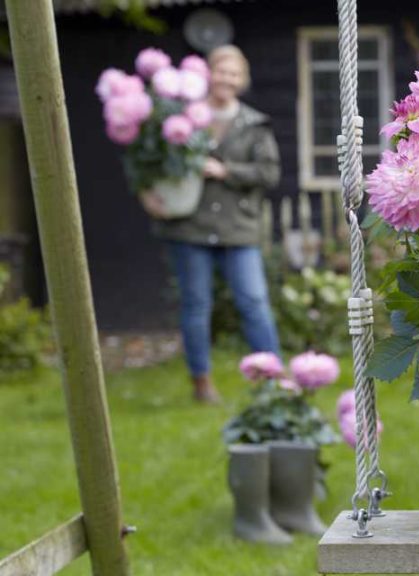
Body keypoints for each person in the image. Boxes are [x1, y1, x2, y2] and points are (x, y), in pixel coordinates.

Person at [140, 45, 281, 403]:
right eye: (221, 70)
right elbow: (147, 158)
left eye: (234, 73)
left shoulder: (255, 124)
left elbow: (269, 173)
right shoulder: (183, 117)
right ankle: (201, 383)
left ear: (242, 80)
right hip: (190, 226)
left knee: (254, 302)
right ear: (208, 74)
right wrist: (147, 194)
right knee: (196, 306)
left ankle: (272, 379)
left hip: (238, 228)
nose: (227, 79)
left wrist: (226, 171)